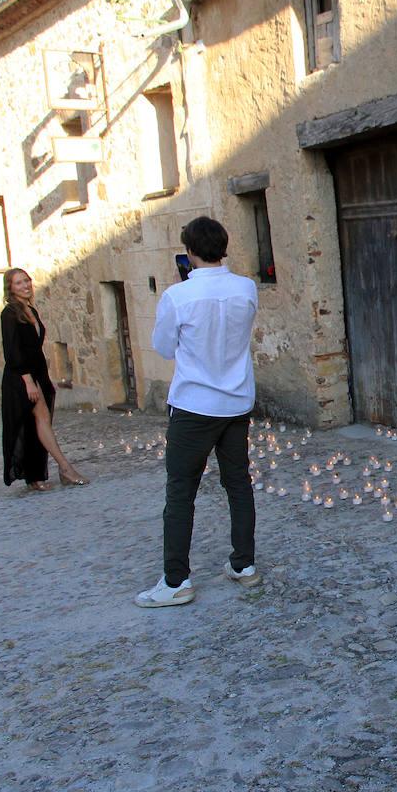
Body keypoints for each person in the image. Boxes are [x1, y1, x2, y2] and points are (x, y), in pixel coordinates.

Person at [136, 217, 260, 607]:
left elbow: (164, 348)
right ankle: (243, 563)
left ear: (189, 252)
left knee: (180, 490)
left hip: (194, 404)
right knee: (238, 483)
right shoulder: (246, 288)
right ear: (223, 247)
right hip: (236, 400)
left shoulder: (178, 296)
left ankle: (176, 581)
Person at [0, 268, 89, 491]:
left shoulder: (29, 310)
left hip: (37, 373)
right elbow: (12, 350)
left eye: (26, 281)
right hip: (22, 376)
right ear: (10, 287)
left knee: (38, 423)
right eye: (19, 283)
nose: (25, 285)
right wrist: (28, 381)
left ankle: (36, 477)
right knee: (41, 419)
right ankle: (65, 468)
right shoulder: (9, 313)